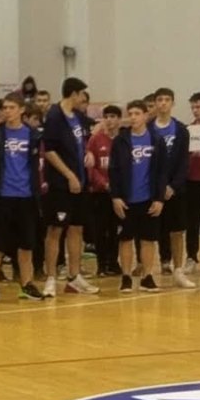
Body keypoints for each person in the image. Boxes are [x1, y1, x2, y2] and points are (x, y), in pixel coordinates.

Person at [0, 93, 44, 302]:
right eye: (5, 108)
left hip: (26, 197)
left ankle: (26, 283)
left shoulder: (32, 135)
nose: (7, 111)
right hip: (2, 197)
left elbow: (34, 165)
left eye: (11, 107)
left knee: (26, 244)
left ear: (21, 110)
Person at [42, 77, 99, 297]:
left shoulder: (79, 117)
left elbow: (85, 141)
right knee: (56, 230)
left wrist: (89, 153)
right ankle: (50, 278)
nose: (84, 98)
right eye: (82, 94)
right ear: (74, 94)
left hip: (81, 183)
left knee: (77, 228)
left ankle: (74, 277)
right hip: (61, 184)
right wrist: (68, 175)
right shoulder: (55, 116)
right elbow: (49, 151)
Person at [110, 101, 167, 293]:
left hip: (148, 198)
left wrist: (159, 198)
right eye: (131, 113)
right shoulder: (121, 140)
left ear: (145, 116)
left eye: (137, 113)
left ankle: (147, 276)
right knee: (125, 238)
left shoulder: (156, 139)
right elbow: (113, 171)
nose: (133, 117)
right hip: (126, 199)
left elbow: (162, 172)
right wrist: (115, 196)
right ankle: (126, 277)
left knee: (148, 239)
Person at [150, 88, 194, 288]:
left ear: (173, 103)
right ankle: (149, 270)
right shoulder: (148, 129)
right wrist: (158, 188)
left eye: (167, 99)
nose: (163, 103)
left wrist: (173, 186)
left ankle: (178, 270)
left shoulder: (181, 130)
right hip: (153, 189)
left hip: (176, 189)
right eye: (160, 100)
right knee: (151, 232)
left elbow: (184, 162)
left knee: (177, 231)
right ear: (155, 103)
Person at [87, 104, 121, 277]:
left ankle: (114, 262)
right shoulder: (95, 140)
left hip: (119, 193)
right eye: (106, 117)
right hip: (100, 193)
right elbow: (91, 167)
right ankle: (101, 264)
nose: (109, 120)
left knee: (116, 230)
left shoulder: (124, 140)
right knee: (100, 230)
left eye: (113, 116)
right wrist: (104, 183)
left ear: (119, 120)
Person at [185, 92, 200, 273]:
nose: (195, 110)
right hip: (192, 181)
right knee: (192, 222)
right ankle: (191, 257)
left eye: (198, 107)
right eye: (193, 107)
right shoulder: (189, 130)